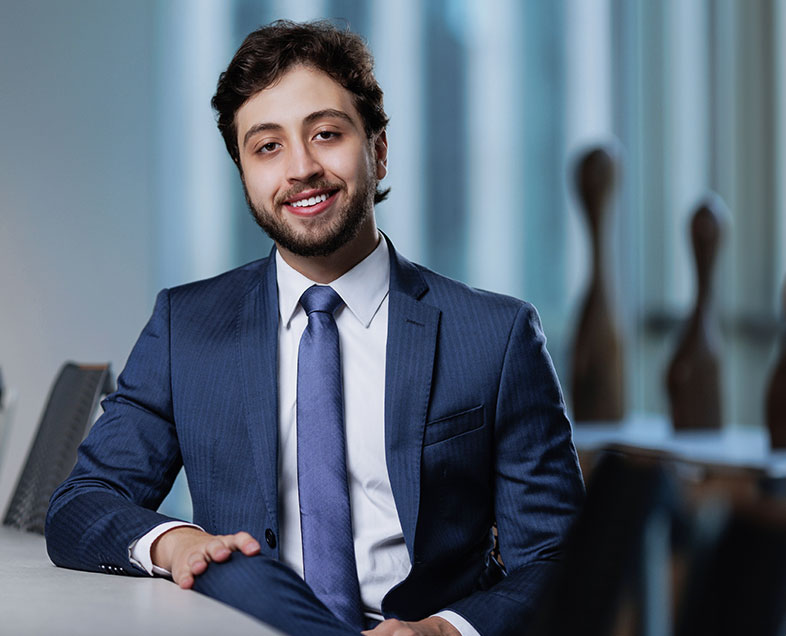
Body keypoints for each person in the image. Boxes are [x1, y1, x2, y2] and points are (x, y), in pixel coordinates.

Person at [46, 20, 584, 636]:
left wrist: (442, 631)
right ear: (245, 173)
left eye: (326, 134)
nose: (301, 168)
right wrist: (177, 543)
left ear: (378, 148)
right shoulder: (186, 326)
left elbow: (556, 560)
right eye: (267, 146)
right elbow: (80, 506)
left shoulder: (496, 334)